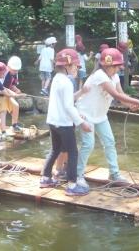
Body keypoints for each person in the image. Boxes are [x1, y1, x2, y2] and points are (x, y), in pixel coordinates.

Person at [76, 48, 139, 187]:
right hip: (85, 114)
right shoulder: (99, 75)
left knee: (110, 142)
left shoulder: (114, 76)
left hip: (100, 115)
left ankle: (114, 174)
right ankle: (78, 175)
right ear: (107, 65)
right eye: (116, 66)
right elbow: (115, 95)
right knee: (88, 144)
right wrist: (137, 101)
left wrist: (129, 105)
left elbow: (121, 95)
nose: (118, 69)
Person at [40, 48, 92, 196]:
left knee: (55, 149)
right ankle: (72, 185)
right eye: (76, 65)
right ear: (68, 65)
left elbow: (66, 102)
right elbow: (69, 106)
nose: (77, 68)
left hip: (53, 121)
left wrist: (81, 94)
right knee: (73, 152)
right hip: (64, 124)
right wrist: (82, 123)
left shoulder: (56, 78)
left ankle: (45, 178)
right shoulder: (67, 82)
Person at [0, 56, 25, 133]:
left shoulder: (15, 73)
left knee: (16, 106)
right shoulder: (3, 73)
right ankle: (3, 131)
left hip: (8, 94)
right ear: (8, 67)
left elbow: (12, 85)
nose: (16, 71)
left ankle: (14, 125)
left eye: (17, 70)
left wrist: (16, 90)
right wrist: (13, 94)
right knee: (3, 112)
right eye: (14, 70)